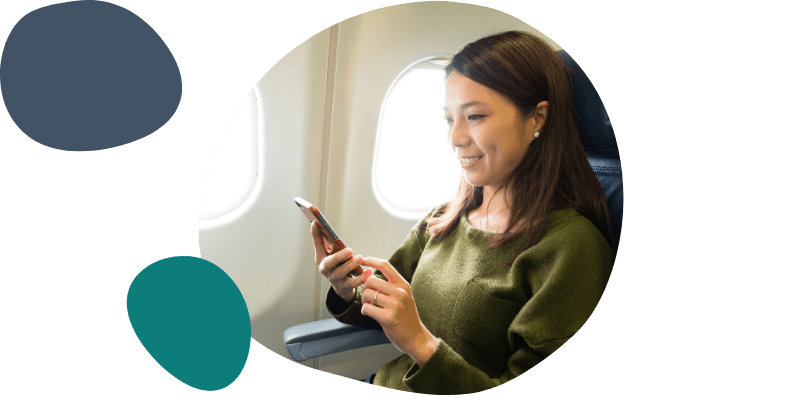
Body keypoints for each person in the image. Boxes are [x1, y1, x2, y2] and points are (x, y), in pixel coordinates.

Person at [309, 30, 614, 394]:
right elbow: (393, 309)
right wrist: (348, 289)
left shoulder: (570, 249)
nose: (455, 138)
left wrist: (420, 344)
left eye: (475, 116)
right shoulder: (446, 218)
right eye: (449, 119)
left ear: (537, 118)